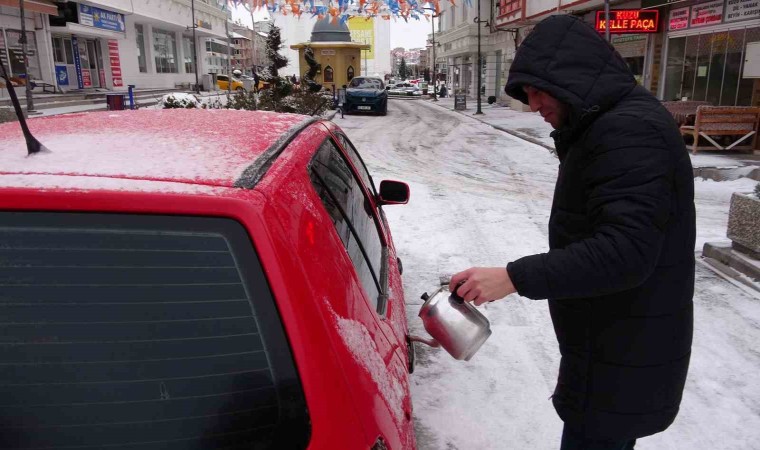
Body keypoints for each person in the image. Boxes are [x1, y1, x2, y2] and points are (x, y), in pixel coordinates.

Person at [449, 15, 695, 450]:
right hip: (612, 340)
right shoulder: (608, 125)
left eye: (538, 91)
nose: (533, 104)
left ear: (571, 79)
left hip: (623, 346)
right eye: (527, 94)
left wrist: (512, 277)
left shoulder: (628, 131)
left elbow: (626, 252)